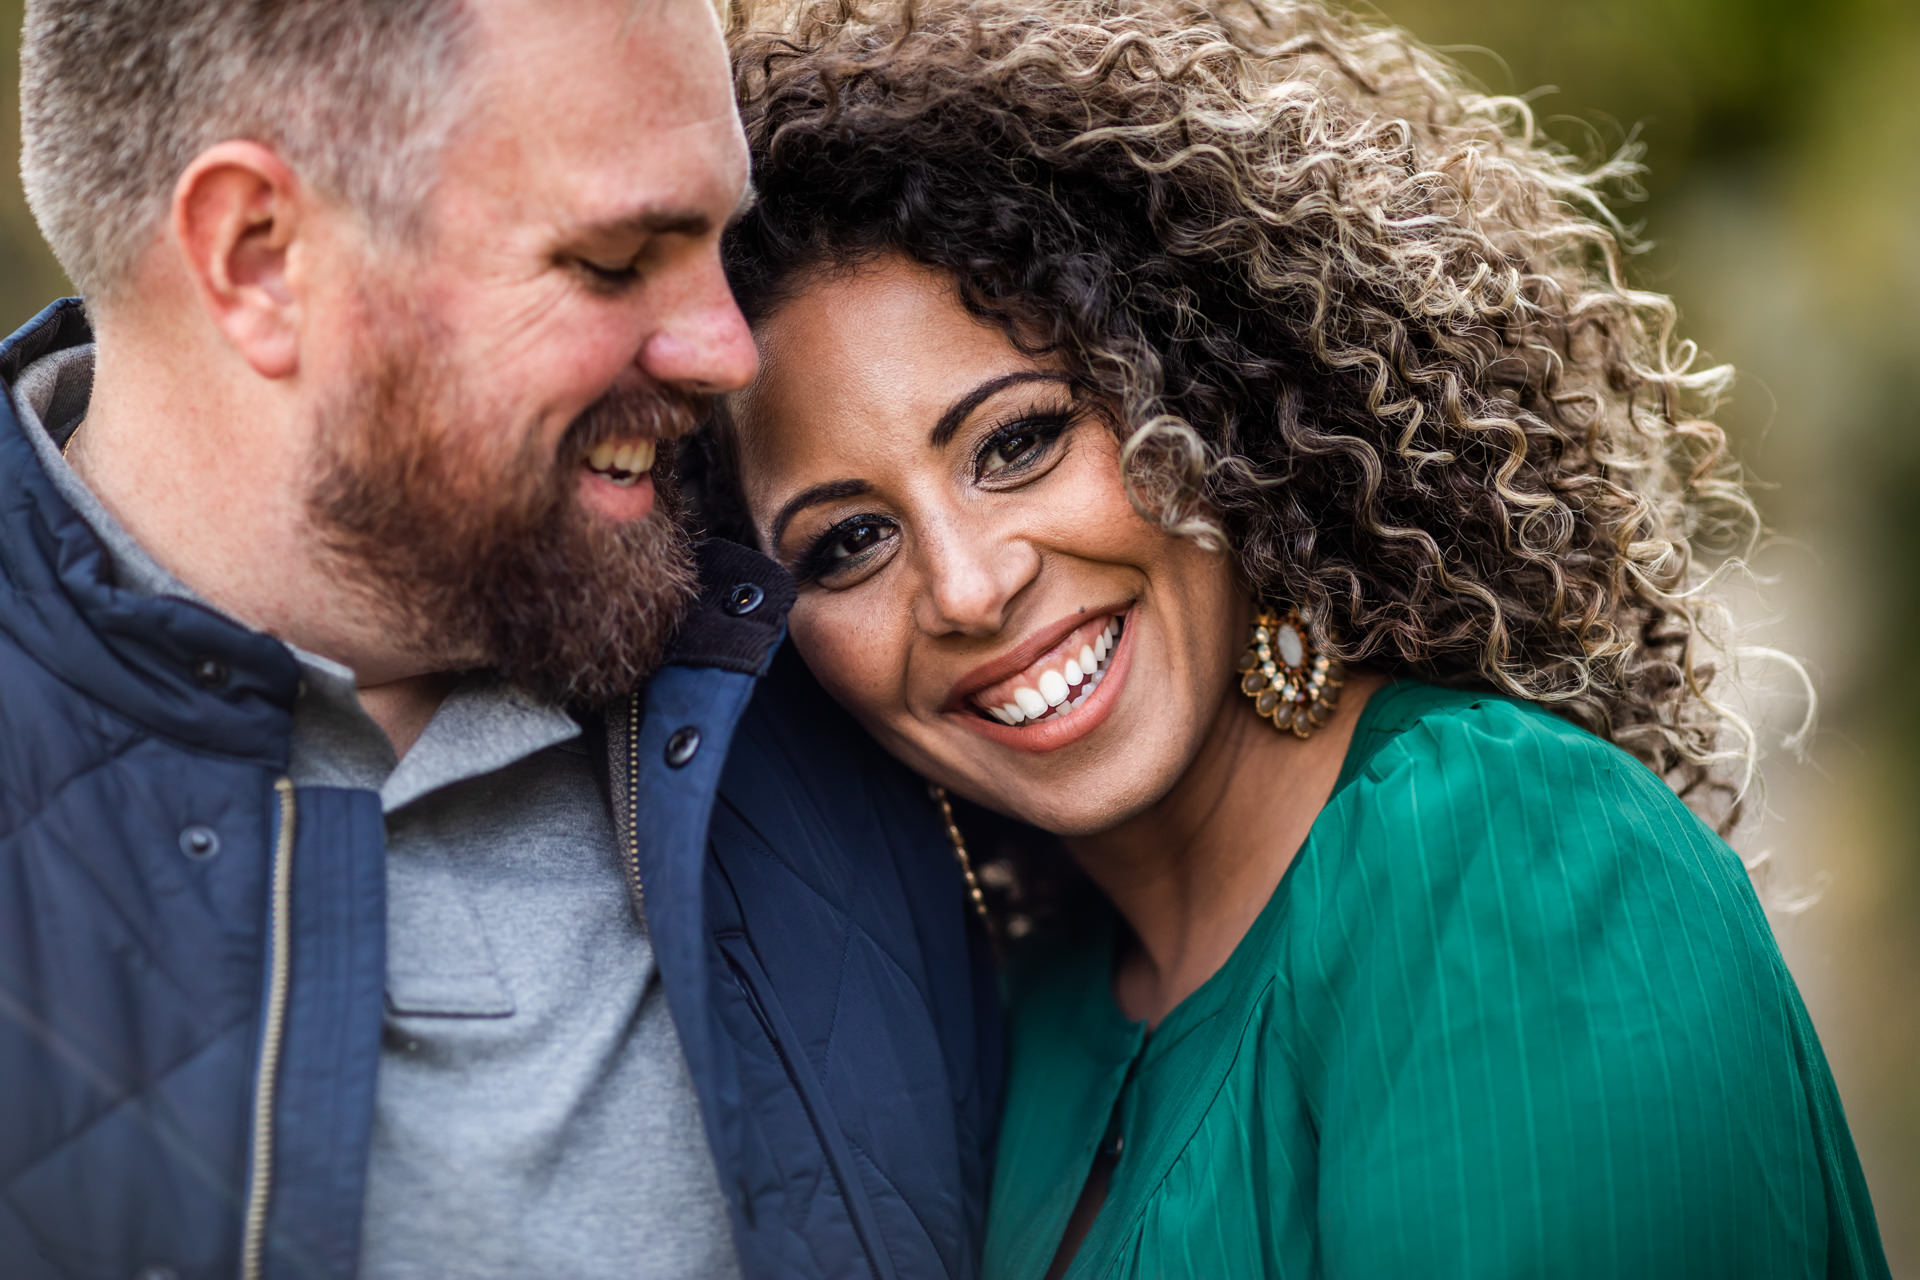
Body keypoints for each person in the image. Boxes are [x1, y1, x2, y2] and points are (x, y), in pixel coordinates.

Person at [709, 0, 1893, 1274]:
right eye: (846, 544)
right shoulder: (1038, 1003)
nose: (968, 586)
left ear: (1205, 387)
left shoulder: (1504, 856)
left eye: (1020, 440)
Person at [0, 1, 999, 1277]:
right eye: (615, 257)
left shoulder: (824, 617)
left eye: (718, 244)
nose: (727, 351)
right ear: (258, 256)